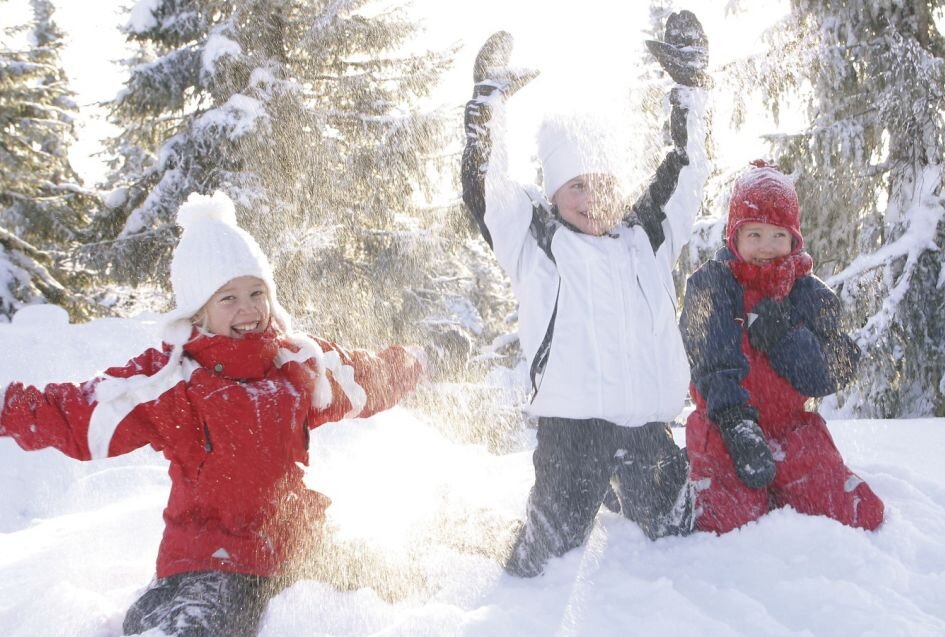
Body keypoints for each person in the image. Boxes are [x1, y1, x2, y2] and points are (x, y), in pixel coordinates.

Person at [0, 192, 424, 635]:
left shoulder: (293, 363)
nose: (249, 309)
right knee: (202, 625)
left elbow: (363, 377)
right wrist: (7, 406)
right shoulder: (173, 381)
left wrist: (418, 361)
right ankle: (165, 614)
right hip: (211, 555)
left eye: (257, 292)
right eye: (228, 298)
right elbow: (81, 413)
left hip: (295, 543)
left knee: (388, 572)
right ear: (197, 311)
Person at [461, 11, 711, 577]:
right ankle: (513, 527)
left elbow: (688, 171)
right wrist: (487, 109)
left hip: (647, 424)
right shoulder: (535, 238)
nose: (593, 198)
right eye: (577, 185)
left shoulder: (645, 235)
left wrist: (692, 92)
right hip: (572, 429)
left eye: (604, 183)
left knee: (681, 532)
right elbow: (487, 189)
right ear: (554, 190)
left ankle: (621, 489)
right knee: (544, 556)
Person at [679, 160, 885, 534]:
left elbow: (831, 370)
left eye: (778, 235)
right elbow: (709, 360)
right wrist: (736, 423)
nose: (766, 247)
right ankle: (672, 478)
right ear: (734, 237)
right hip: (725, 426)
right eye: (753, 234)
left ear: (794, 239)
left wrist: (785, 338)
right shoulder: (713, 285)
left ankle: (780, 487)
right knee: (722, 520)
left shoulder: (806, 293)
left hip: (791, 430)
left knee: (858, 512)